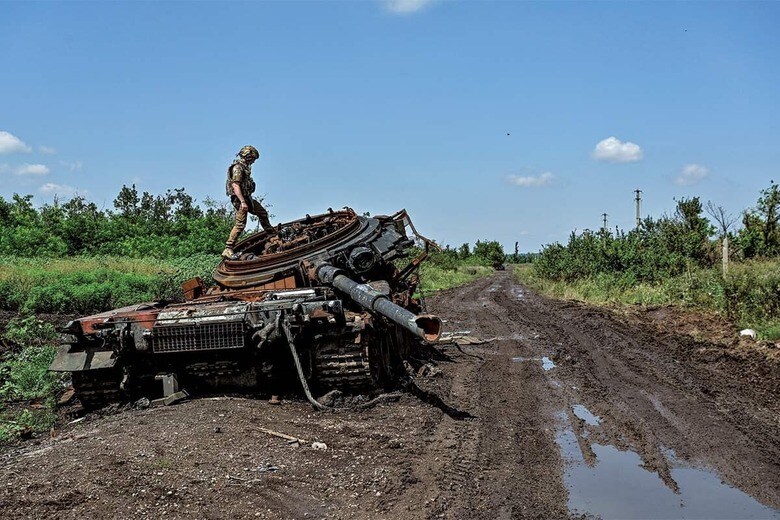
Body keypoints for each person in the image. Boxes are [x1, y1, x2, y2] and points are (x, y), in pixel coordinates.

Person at [222, 145, 275, 258]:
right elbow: (235, 185)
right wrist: (242, 202)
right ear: (248, 156)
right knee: (240, 224)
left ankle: (272, 234)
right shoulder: (238, 168)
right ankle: (228, 248)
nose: (253, 161)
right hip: (240, 199)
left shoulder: (245, 167)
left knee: (262, 212)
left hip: (247, 197)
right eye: (253, 158)